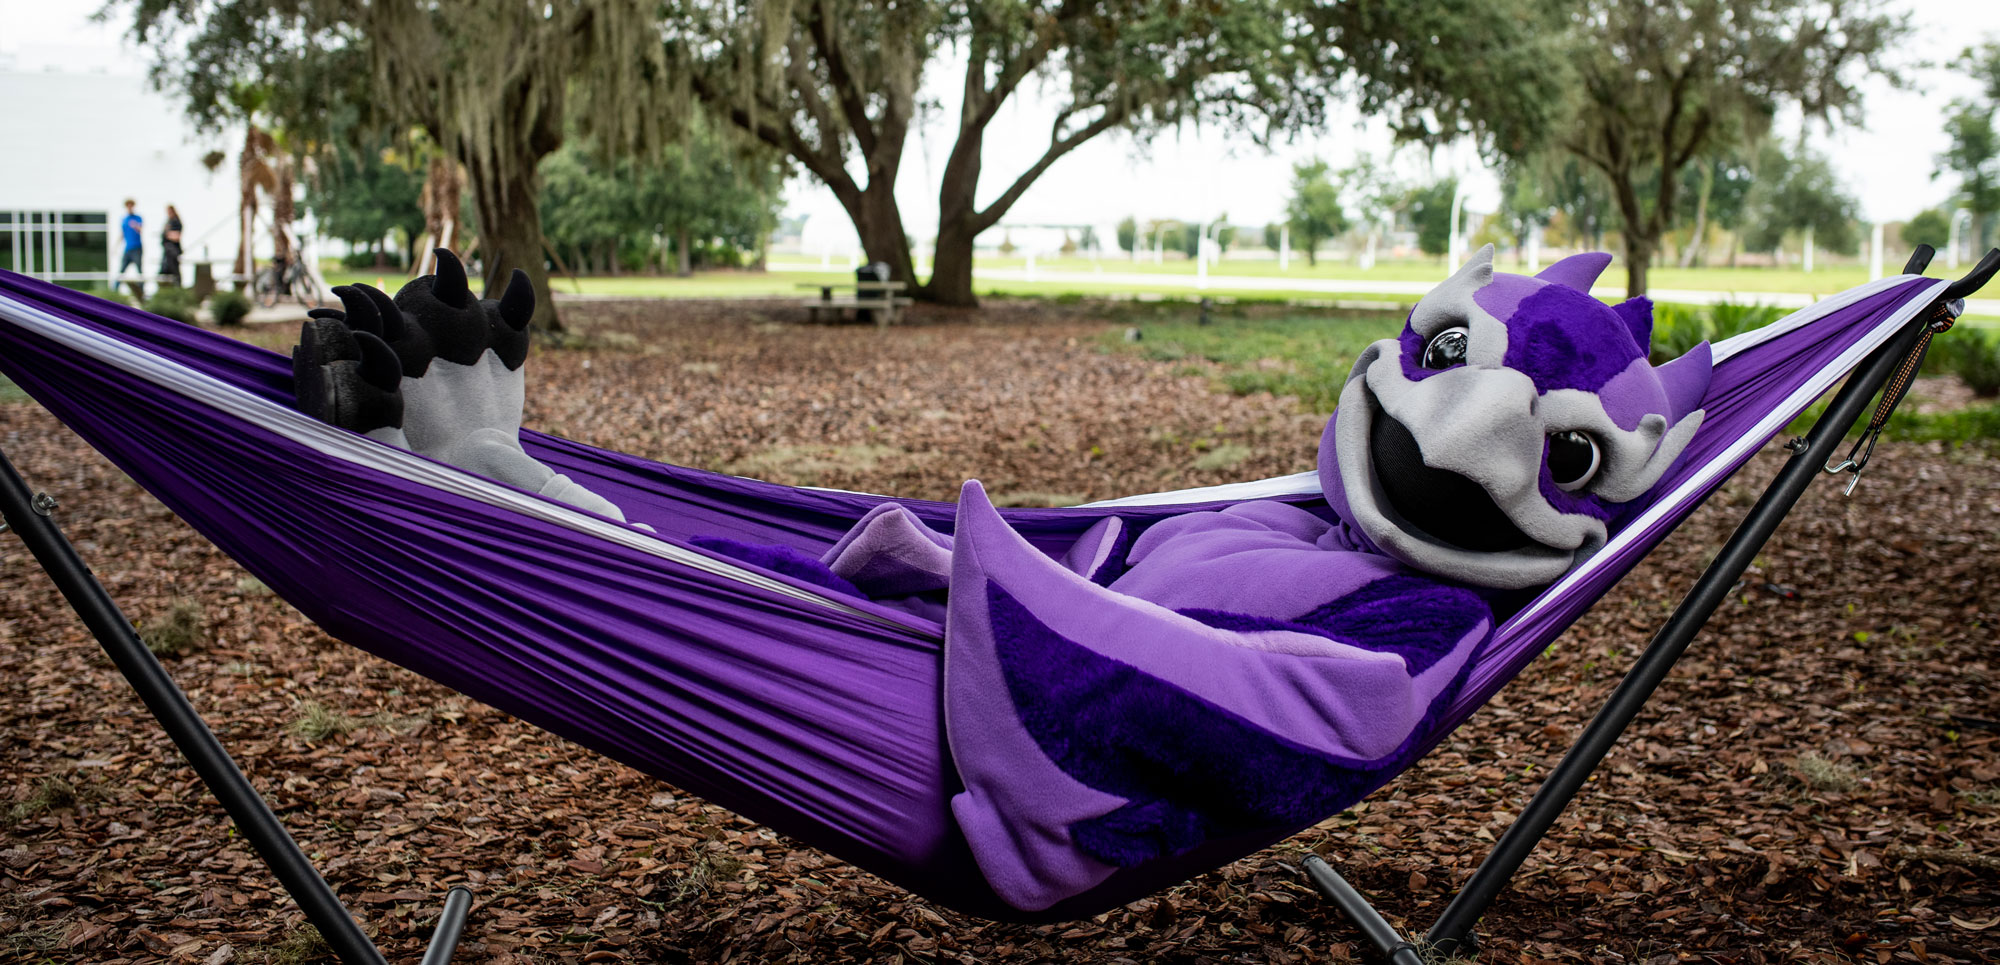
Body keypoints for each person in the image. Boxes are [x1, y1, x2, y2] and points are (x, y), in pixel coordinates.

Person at [158, 204, 183, 285]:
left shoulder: (176, 221)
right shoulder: (168, 221)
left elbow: (177, 236)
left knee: (174, 271)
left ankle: (177, 287)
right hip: (167, 251)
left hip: (173, 251)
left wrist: (167, 234)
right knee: (164, 271)